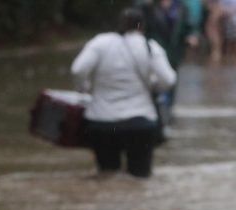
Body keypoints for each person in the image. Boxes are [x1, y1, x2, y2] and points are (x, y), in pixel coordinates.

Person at [71, 7, 177, 178]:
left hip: (101, 123)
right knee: (140, 179)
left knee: (106, 176)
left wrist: (84, 88)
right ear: (142, 26)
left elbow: (77, 70)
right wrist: (154, 87)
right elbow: (169, 80)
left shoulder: (100, 42)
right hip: (140, 123)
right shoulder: (149, 47)